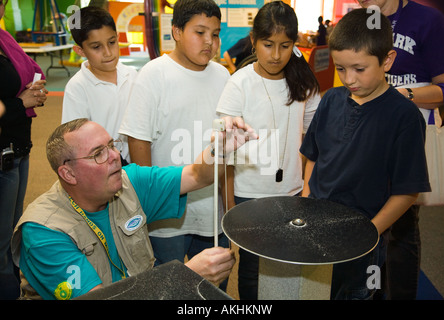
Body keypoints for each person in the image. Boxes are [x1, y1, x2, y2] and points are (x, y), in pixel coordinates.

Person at [11, 117, 257, 300]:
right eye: (98, 153)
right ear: (68, 173)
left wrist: (219, 150)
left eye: (111, 145)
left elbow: (196, 175)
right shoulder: (44, 232)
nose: (115, 156)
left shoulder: (128, 182)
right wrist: (184, 275)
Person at [300, 8, 430, 300]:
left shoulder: (404, 117)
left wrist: (370, 232)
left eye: (359, 69)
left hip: (364, 242)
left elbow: (407, 191)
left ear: (387, 60)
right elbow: (313, 155)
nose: (349, 78)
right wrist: (308, 196)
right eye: (341, 68)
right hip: (318, 228)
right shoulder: (331, 99)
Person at [119, 0, 232, 290]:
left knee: (209, 289)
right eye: (200, 32)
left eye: (216, 34)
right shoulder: (153, 75)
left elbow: (228, 147)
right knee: (167, 287)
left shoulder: (223, 76)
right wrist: (148, 205)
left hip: (211, 211)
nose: (210, 42)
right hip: (165, 215)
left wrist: (229, 208)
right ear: (177, 32)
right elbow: (138, 141)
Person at [216, 1, 321, 300]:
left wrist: (306, 189)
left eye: (285, 45)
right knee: (251, 269)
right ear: (253, 41)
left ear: (294, 44)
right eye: (268, 44)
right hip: (249, 194)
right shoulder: (239, 84)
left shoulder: (303, 82)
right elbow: (225, 153)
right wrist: (230, 203)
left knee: (289, 263)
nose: (276, 55)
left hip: (292, 191)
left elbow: (314, 142)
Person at [358, 0, 444, 300]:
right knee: (367, 217)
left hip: (410, 136)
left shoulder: (427, 19)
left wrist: (403, 95)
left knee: (402, 224)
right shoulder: (360, 20)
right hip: (369, 138)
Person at [0, 0, 48, 300]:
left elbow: (28, 71)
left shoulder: (5, 39)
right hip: (4, 155)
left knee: (11, 234)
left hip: (17, 149)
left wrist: (32, 89)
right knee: (1, 242)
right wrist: (22, 102)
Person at [62, 6, 137, 165]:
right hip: (101, 169)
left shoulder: (132, 75)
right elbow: (75, 141)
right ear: (80, 50)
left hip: (135, 165)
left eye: (111, 42)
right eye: (96, 47)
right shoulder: (77, 88)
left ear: (117, 37)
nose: (108, 53)